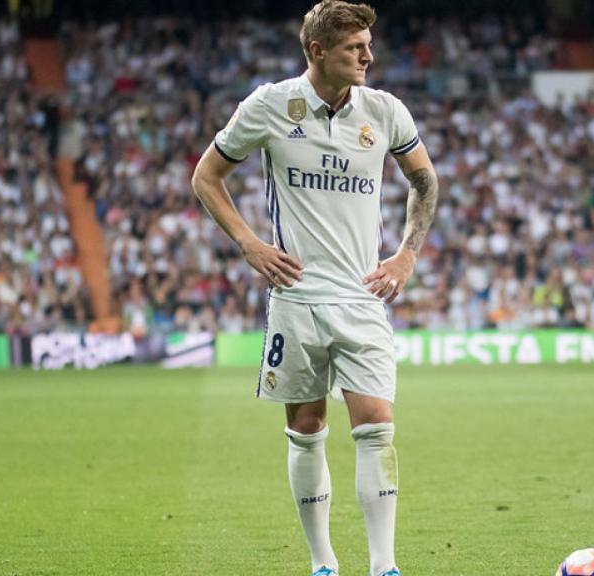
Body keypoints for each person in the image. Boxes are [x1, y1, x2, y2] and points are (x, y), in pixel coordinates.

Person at [190, 2, 438, 575]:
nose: (369, 56)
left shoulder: (385, 111)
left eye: (369, 45)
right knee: (306, 429)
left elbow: (424, 180)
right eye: (356, 48)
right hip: (297, 298)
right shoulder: (270, 106)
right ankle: (324, 564)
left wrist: (406, 255)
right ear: (317, 52)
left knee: (376, 425)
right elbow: (206, 176)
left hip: (361, 296)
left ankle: (384, 566)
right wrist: (249, 243)